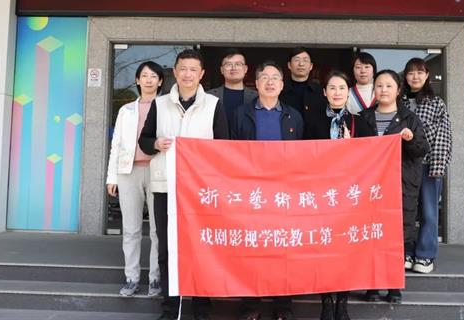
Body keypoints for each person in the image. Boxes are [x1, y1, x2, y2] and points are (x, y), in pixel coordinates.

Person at [138, 49, 229, 320]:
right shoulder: (159, 104)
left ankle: (201, 308)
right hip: (166, 187)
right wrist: (156, 144)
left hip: (201, 190)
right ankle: (170, 308)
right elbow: (144, 140)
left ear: (202, 74)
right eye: (183, 69)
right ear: (175, 72)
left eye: (193, 69)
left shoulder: (214, 105)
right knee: (167, 250)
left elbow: (223, 147)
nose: (188, 74)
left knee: (201, 248)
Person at [230, 61, 303, 320]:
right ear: (256, 83)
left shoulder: (294, 116)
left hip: (284, 193)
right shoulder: (241, 113)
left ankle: (283, 305)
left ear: (282, 85)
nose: (270, 82)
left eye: (275, 78)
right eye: (264, 77)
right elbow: (231, 152)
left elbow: (302, 154)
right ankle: (251, 305)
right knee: (252, 249)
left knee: (283, 250)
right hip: (252, 193)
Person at [355, 70, 430, 304]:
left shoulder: (409, 118)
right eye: (379, 85)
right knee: (371, 236)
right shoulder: (363, 118)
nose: (383, 90)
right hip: (369, 188)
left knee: (396, 238)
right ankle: (372, 285)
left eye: (388, 86)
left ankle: (394, 286)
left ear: (398, 90)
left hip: (400, 186)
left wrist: (410, 139)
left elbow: (422, 149)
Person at [106, 61, 163, 298]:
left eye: (153, 76)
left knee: (158, 230)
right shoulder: (126, 110)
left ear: (160, 81)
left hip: (158, 172)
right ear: (137, 80)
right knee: (130, 229)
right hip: (128, 173)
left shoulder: (166, 107)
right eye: (144, 76)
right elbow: (116, 144)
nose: (148, 80)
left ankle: (155, 278)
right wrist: (112, 177)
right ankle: (132, 277)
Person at [303, 70, 357, 320]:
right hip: (320, 195)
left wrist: (350, 148)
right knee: (324, 247)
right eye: (332, 88)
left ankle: (342, 302)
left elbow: (371, 158)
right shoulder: (312, 121)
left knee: (346, 251)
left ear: (348, 92)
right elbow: (303, 156)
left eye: (342, 88)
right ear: (324, 92)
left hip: (349, 197)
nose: (337, 93)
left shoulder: (360, 122)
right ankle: (326, 301)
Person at [402, 58, 452, 274]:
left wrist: (437, 166)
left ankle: (425, 255)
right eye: (411, 73)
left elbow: (444, 135)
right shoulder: (400, 101)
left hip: (428, 164)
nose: (415, 77)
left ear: (427, 75)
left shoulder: (436, 103)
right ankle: (406, 251)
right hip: (404, 165)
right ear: (405, 77)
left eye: (420, 72)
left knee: (429, 212)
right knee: (406, 211)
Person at [207, 48, 258, 127]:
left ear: (245, 69)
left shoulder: (257, 97)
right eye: (228, 64)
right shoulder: (209, 96)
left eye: (238, 64)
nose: (233, 68)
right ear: (222, 70)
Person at [280, 47, 327, 121]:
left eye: (305, 60)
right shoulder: (280, 90)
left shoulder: (320, 91)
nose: (301, 64)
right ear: (289, 65)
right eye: (297, 60)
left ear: (311, 66)